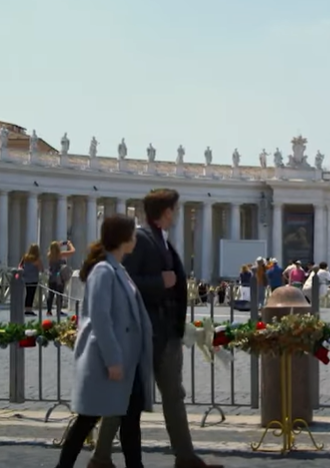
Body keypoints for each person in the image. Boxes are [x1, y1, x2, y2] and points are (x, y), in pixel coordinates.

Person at [91, 189, 223, 468]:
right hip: (145, 333)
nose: (176, 215)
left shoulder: (161, 239)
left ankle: (185, 457)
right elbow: (123, 280)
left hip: (166, 332)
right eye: (174, 210)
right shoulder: (140, 239)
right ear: (166, 211)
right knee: (126, 394)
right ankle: (101, 457)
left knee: (174, 394)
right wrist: (158, 282)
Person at [54, 215, 153, 468]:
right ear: (123, 238)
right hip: (107, 363)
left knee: (130, 423)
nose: (135, 239)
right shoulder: (103, 271)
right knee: (86, 421)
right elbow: (99, 318)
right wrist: (113, 359)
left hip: (126, 363)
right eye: (132, 234)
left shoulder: (117, 269)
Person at [46, 240, 76, 317]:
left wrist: (58, 244)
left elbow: (53, 249)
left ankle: (49, 311)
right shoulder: (60, 254)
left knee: (51, 294)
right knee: (59, 294)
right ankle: (58, 310)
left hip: (51, 276)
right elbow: (73, 251)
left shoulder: (49, 255)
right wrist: (69, 244)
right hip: (59, 277)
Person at [19, 243, 43, 317]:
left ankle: (26, 309)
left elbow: (20, 265)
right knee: (31, 294)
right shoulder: (36, 259)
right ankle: (29, 309)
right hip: (33, 278)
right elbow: (41, 269)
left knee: (28, 294)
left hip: (26, 278)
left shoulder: (25, 257)